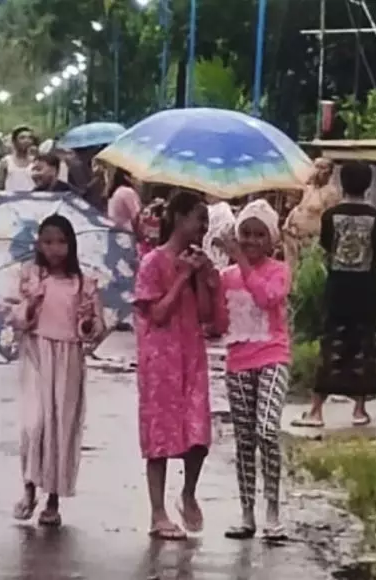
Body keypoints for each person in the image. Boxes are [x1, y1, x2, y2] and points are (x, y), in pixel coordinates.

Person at [134, 191, 226, 540]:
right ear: (179, 218)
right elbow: (156, 313)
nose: (203, 226)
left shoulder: (197, 262)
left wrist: (203, 278)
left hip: (192, 354)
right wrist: (181, 276)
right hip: (160, 360)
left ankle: (188, 492)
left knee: (198, 433)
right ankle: (157, 513)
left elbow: (206, 317)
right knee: (159, 436)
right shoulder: (153, 263)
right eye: (199, 218)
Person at [5, 214, 106, 527]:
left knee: (61, 427)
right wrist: (31, 305)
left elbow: (94, 330)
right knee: (34, 425)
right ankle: (28, 487)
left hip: (68, 359)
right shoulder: (30, 277)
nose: (55, 248)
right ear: (38, 244)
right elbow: (14, 317)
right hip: (36, 355)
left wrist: (88, 321)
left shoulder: (83, 283)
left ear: (71, 244)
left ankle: (53, 498)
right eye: (48, 241)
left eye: (61, 241)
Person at [217, 199, 292, 541]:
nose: (250, 241)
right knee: (245, 440)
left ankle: (272, 509)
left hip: (273, 357)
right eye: (244, 234)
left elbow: (266, 298)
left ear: (270, 240)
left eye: (258, 235)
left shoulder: (279, 270)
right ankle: (247, 513)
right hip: (238, 361)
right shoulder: (226, 277)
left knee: (266, 430)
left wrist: (242, 262)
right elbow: (216, 317)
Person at [292, 161, 376, 428]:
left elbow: (326, 245)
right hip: (367, 291)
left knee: (331, 346)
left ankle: (316, 411)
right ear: (367, 185)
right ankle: (359, 410)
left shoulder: (331, 216)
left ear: (342, 183)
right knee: (364, 348)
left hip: (338, 289)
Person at [282, 158, 341, 265]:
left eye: (322, 167)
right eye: (316, 166)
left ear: (329, 172)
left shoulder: (331, 193)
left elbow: (330, 220)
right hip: (293, 237)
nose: (317, 171)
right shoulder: (308, 188)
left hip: (312, 241)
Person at [0, 126, 36, 191]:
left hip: (30, 199)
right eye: (22, 138)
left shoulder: (36, 162)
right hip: (11, 199)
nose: (26, 140)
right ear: (14, 141)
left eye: (29, 138)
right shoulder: (6, 161)